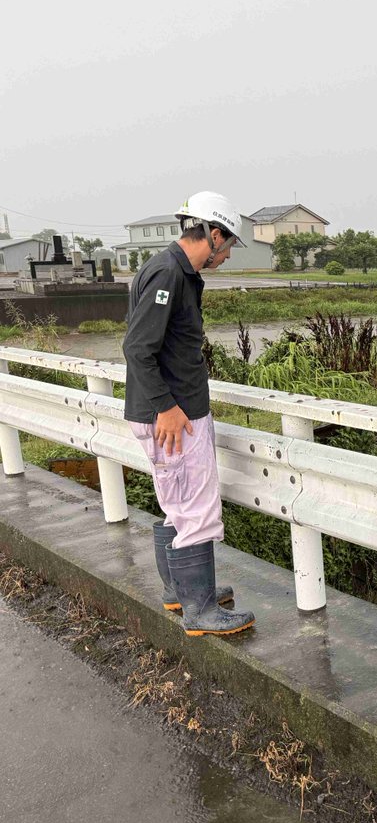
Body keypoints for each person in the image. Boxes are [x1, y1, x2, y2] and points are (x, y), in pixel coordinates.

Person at [122, 191, 255, 637]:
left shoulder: (176, 271)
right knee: (195, 508)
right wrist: (169, 408)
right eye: (230, 244)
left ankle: (183, 592)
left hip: (173, 412)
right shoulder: (167, 273)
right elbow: (137, 348)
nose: (229, 254)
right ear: (213, 235)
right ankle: (200, 611)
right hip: (174, 416)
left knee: (178, 505)